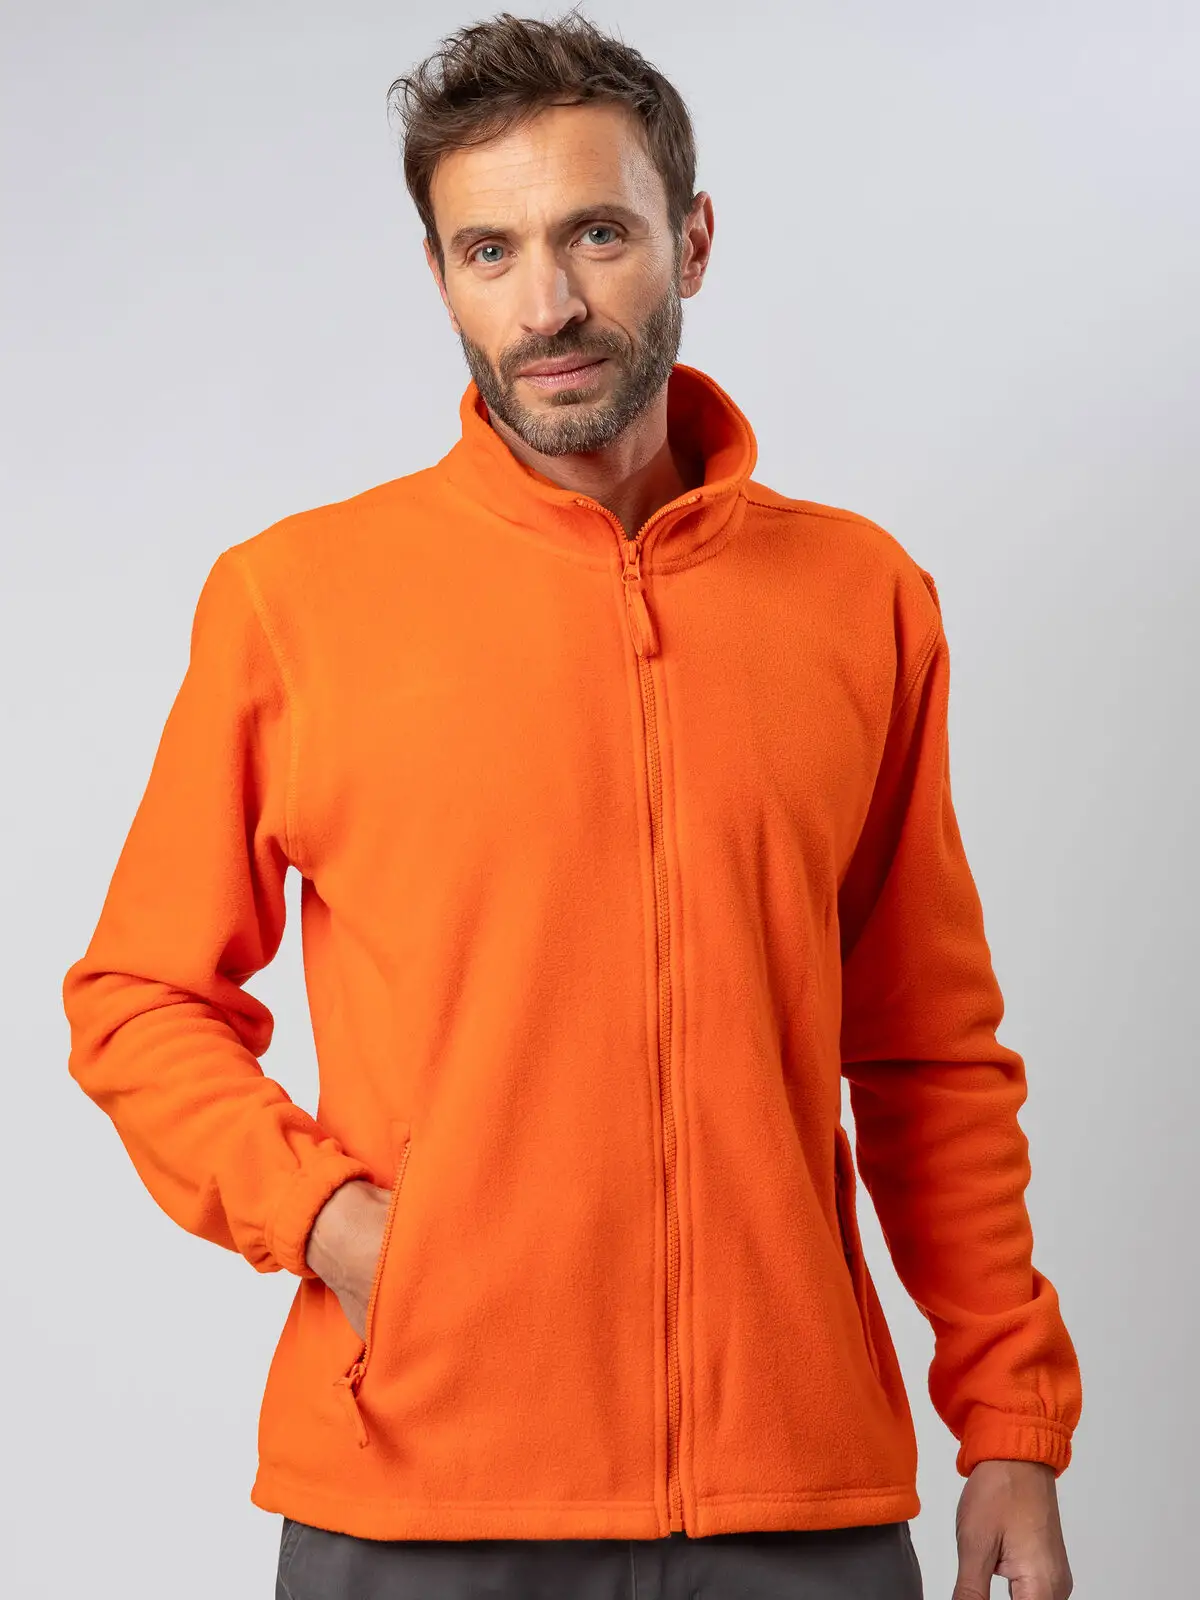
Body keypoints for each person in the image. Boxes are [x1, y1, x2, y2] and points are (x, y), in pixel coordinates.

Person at [62, 11, 1082, 1599]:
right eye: (490, 250)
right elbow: (137, 998)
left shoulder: (861, 599)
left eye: (596, 234)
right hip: (421, 1496)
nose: (546, 305)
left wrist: (1009, 1417)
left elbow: (926, 1049)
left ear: (692, 241)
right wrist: (332, 1224)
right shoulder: (297, 603)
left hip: (795, 1504)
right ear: (440, 276)